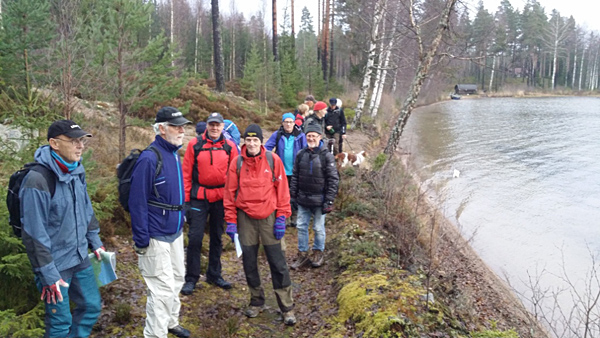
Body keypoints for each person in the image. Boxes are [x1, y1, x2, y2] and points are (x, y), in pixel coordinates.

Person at [20, 120, 103, 338]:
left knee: (92, 305)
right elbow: (33, 234)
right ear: (54, 143)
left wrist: (95, 241)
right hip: (55, 266)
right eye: (74, 141)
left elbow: (86, 208)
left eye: (81, 140)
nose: (80, 146)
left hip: (79, 256)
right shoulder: (37, 180)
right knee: (59, 324)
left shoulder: (77, 170)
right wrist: (48, 275)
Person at [223, 124, 296, 325]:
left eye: (256, 140)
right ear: (244, 142)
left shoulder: (273, 160)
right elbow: (229, 194)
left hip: (270, 218)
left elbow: (283, 192)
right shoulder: (237, 163)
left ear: (261, 142)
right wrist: (230, 221)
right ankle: (256, 301)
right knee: (249, 262)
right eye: (249, 140)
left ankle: (287, 307)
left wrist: (282, 217)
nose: (252, 143)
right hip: (245, 218)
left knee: (278, 262)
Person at [129, 106, 191, 338]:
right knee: (161, 290)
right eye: (176, 126)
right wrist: (142, 238)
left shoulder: (173, 153)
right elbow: (137, 202)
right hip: (155, 236)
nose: (182, 130)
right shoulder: (149, 158)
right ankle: (155, 334)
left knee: (176, 279)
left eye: (182, 126)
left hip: (174, 232)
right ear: (162, 129)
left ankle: (170, 322)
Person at [181, 112, 238, 294]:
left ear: (223, 127)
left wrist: (234, 201)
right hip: (199, 197)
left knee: (216, 237)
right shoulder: (194, 144)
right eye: (211, 124)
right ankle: (191, 278)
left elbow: (236, 174)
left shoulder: (230, 146)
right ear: (207, 125)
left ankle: (214, 274)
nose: (214, 128)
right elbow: (186, 174)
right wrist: (186, 202)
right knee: (195, 238)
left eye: (218, 125)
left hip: (221, 198)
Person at [289, 124, 339, 270]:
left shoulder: (326, 156)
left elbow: (333, 179)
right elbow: (295, 176)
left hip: (320, 200)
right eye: (308, 136)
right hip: (303, 199)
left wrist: (329, 200)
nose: (311, 138)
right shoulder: (301, 154)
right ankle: (302, 254)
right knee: (301, 227)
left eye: (314, 136)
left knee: (318, 228)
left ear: (319, 137)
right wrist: (293, 196)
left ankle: (318, 252)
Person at [265, 112, 308, 227]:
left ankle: (295, 216)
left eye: (291, 122)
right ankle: (284, 217)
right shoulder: (277, 134)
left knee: (295, 194)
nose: (288, 125)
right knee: (282, 195)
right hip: (281, 172)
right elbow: (267, 148)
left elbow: (306, 151)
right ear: (282, 123)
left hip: (296, 171)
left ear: (294, 123)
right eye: (286, 122)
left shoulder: (300, 135)